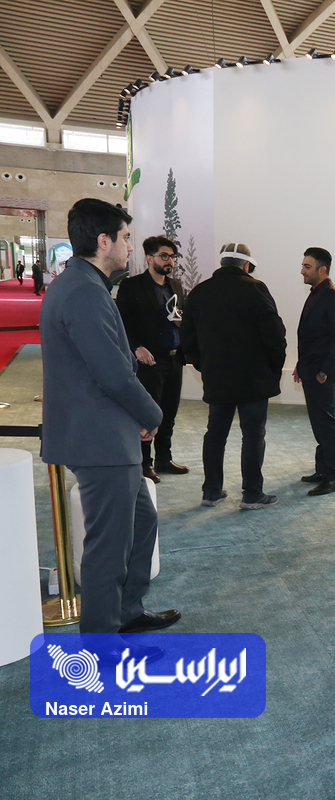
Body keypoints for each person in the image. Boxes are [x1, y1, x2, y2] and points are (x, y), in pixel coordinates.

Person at [40, 198, 178, 649]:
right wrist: (151, 414)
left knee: (141, 521)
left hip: (104, 433)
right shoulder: (83, 290)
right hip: (97, 439)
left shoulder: (83, 284)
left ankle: (127, 612)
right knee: (108, 549)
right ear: (104, 241)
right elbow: (113, 373)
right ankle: (102, 647)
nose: (129, 246)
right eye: (125, 238)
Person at [181, 243, 286, 509]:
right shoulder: (256, 289)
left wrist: (204, 365)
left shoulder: (199, 292)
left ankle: (211, 491)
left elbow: (187, 337)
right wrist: (273, 367)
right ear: (247, 265)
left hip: (217, 377)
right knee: (253, 435)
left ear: (222, 263)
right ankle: (252, 494)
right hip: (254, 378)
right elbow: (274, 334)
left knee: (215, 434)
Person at [116, 236, 188, 483]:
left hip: (174, 358)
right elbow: (120, 323)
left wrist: (182, 323)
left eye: (173, 257)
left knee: (169, 412)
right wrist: (136, 347)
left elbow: (179, 315)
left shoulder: (175, 285)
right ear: (149, 258)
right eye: (164, 256)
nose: (170, 261)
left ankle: (164, 459)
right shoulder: (132, 286)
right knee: (148, 412)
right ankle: (144, 463)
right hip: (149, 361)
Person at [294, 247, 335, 496]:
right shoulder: (317, 292)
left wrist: (324, 371)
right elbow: (311, 335)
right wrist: (300, 364)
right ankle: (322, 469)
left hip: (322, 373)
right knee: (319, 423)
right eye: (303, 266)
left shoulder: (334, 295)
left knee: (327, 423)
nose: (302, 271)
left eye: (307, 266)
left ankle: (332, 477)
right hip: (311, 369)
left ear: (322, 269)